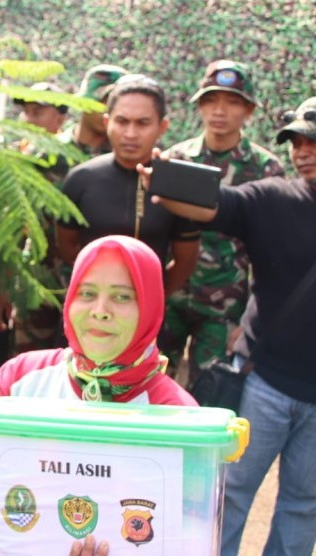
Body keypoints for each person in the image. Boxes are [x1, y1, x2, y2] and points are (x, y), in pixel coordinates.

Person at [0, 235, 196, 552]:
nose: (100, 311)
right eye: (87, 293)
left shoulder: (177, 415)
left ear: (151, 307)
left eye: (122, 297)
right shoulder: (22, 378)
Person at [140, 98, 316, 556]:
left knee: (303, 505)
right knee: (229, 491)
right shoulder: (274, 196)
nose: (303, 150)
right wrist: (164, 179)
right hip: (266, 382)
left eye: (313, 140)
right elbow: (214, 204)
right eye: (296, 141)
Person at [159, 60, 283, 384]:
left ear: (249, 111)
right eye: (211, 100)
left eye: (232, 102)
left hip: (225, 305)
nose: (220, 110)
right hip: (169, 295)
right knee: (151, 386)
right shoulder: (176, 159)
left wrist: (252, 317)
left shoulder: (266, 169)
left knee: (209, 392)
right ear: (200, 106)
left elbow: (271, 250)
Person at [57, 74, 200, 296]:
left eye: (143, 123)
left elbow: (185, 261)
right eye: (122, 122)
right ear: (107, 122)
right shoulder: (81, 179)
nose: (131, 134)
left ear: (162, 127)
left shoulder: (176, 187)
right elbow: (67, 247)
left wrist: (152, 298)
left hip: (150, 311)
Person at [0, 81, 69, 376]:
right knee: (30, 367)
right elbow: (12, 230)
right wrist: (1, 285)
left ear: (61, 118)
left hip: (66, 281)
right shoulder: (19, 159)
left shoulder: (70, 161)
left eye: (37, 112)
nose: (27, 120)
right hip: (33, 285)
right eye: (25, 113)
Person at [57, 64, 128, 161]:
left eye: (116, 104)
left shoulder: (127, 157)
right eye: (102, 101)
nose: (108, 110)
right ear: (83, 102)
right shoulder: (51, 149)